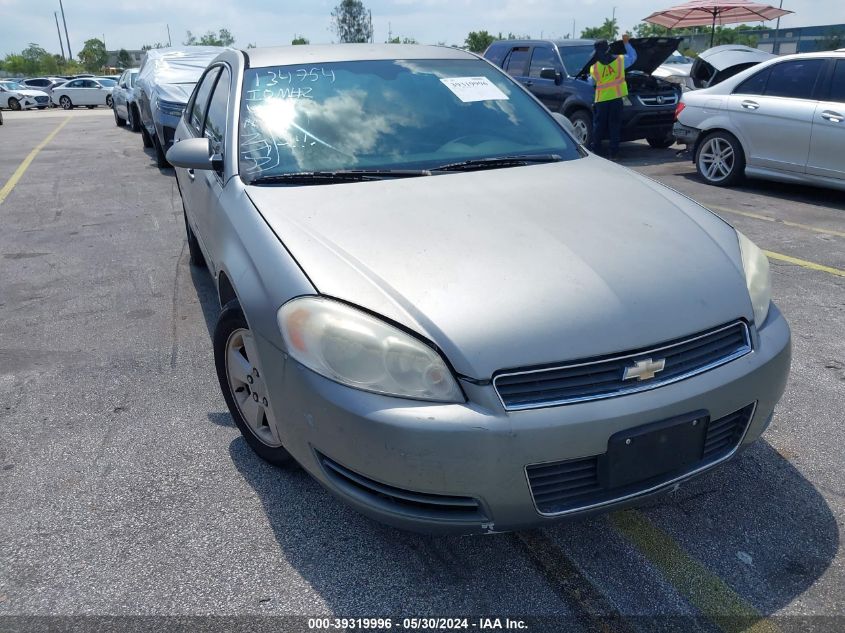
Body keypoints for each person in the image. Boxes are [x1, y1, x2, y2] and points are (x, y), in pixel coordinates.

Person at [588, 34, 637, 160]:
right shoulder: (620, 61)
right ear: (608, 48)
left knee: (599, 127)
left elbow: (592, 83)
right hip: (616, 99)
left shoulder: (594, 68)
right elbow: (633, 57)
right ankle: (613, 153)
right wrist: (626, 43)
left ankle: (596, 151)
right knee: (614, 126)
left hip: (601, 101)